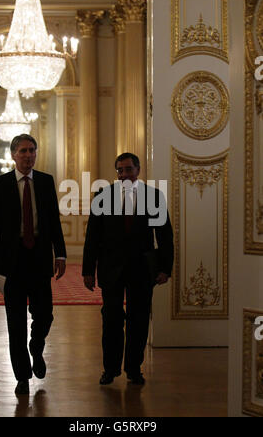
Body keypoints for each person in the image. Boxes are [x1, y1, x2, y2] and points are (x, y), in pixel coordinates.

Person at [0, 134, 67, 395]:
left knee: (44, 315)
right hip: (11, 260)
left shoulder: (45, 181)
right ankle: (21, 375)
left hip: (40, 257)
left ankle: (37, 347)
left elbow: (53, 220)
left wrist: (60, 254)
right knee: (15, 321)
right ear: (13, 155)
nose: (28, 155)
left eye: (32, 150)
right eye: (23, 151)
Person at [82, 153, 174, 385]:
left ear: (138, 170)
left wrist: (165, 268)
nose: (124, 175)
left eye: (128, 170)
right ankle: (110, 369)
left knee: (139, 319)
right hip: (111, 269)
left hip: (142, 269)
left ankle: (134, 368)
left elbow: (164, 236)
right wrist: (87, 270)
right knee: (111, 319)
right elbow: (92, 236)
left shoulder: (153, 196)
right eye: (120, 171)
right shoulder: (102, 196)